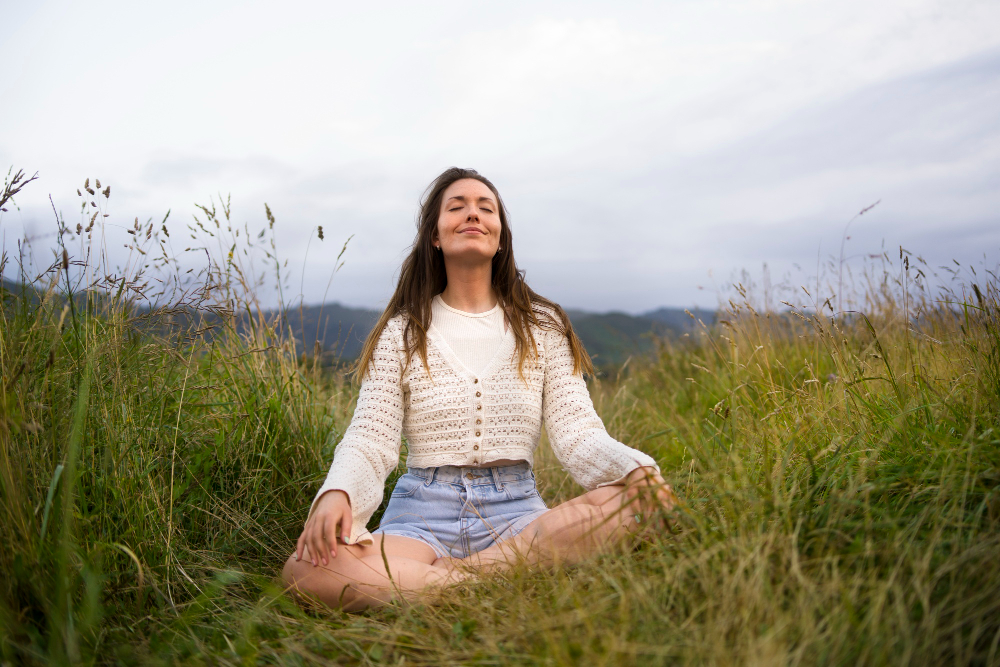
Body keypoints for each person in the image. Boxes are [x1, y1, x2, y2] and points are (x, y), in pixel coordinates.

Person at [282, 167, 677, 611]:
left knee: (646, 502)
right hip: (420, 516)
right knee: (305, 570)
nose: (472, 214)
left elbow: (579, 433)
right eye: (457, 207)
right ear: (435, 235)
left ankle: (442, 584)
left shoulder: (543, 326)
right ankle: (506, 576)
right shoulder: (401, 332)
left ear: (500, 237)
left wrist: (634, 469)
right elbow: (370, 437)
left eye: (485, 208)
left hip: (517, 510)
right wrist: (339, 492)